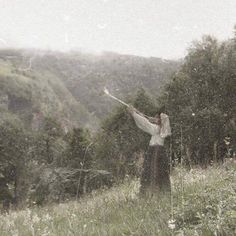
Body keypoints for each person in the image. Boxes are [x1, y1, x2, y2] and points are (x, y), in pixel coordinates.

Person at [128, 106, 171, 196]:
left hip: (156, 152)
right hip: (157, 151)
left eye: (157, 118)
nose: (155, 119)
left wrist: (134, 114)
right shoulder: (160, 128)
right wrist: (137, 113)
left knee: (153, 171)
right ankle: (159, 193)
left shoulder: (157, 129)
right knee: (156, 172)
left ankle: (152, 194)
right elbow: (146, 121)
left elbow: (145, 123)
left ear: (160, 120)